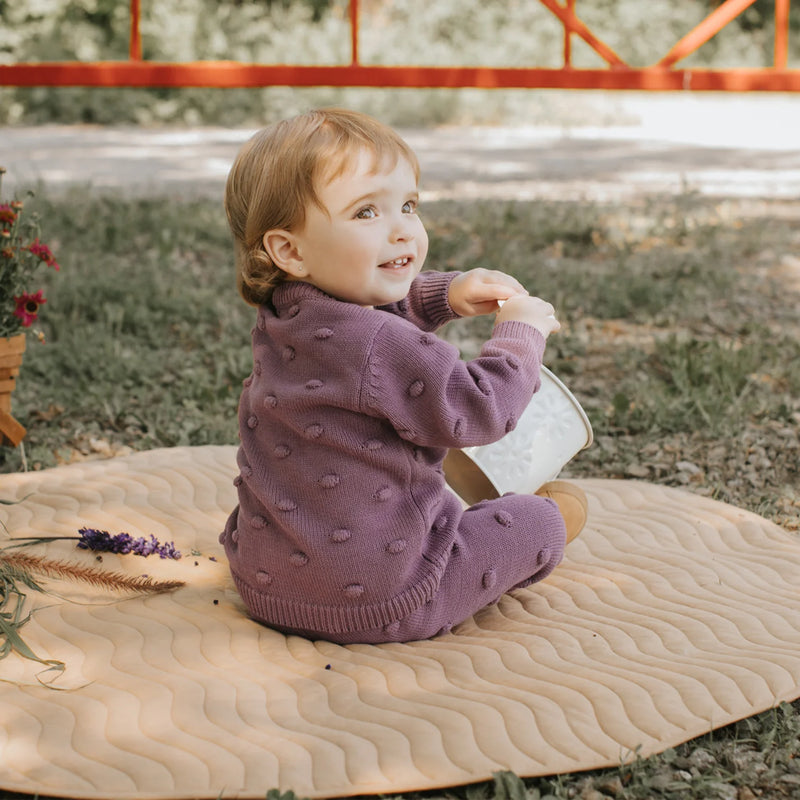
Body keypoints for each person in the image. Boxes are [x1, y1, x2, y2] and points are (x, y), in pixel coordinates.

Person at [219, 107, 587, 644]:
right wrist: (520, 335)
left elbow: (365, 319)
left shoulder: (285, 316)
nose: (402, 232)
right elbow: (480, 409)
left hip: (265, 583)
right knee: (529, 523)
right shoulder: (379, 344)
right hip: (386, 599)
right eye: (367, 213)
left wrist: (446, 294)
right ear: (291, 250)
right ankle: (548, 522)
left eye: (409, 206)